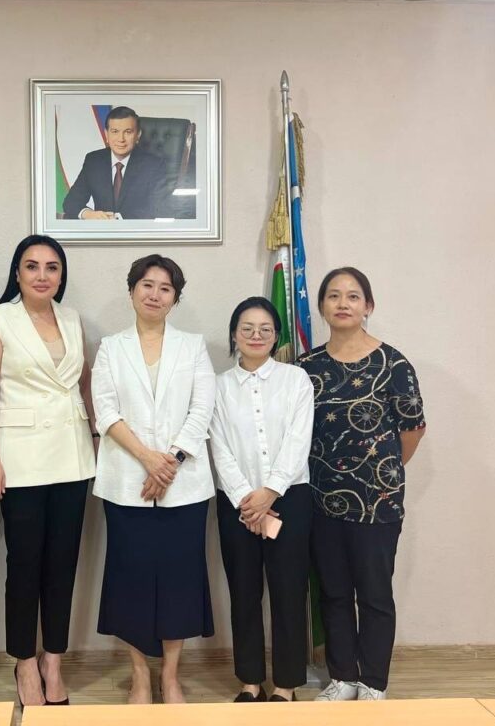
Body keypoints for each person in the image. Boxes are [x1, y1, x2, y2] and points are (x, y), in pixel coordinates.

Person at [0, 235, 96, 709]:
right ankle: (24, 662)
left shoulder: (72, 318)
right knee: (24, 566)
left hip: (72, 455)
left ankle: (53, 661)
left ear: (61, 275)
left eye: (51, 267)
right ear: (17, 273)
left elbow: (83, 384)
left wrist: (97, 438)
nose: (42, 275)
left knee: (63, 564)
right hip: (20, 458)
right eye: (32, 266)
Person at [91, 254, 216, 704]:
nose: (155, 294)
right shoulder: (111, 347)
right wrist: (148, 459)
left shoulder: (193, 346)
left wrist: (170, 463)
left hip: (185, 484)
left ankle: (171, 677)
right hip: (127, 481)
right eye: (147, 285)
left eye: (165, 288)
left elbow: (202, 408)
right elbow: (105, 411)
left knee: (181, 578)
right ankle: (140, 675)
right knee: (131, 578)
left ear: (175, 299)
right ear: (132, 291)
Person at [297, 267, 427, 702]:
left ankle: (373, 683)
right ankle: (343, 677)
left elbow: (412, 430)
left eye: (353, 296)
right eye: (333, 296)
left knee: (374, 595)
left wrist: (380, 472)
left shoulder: (394, 364)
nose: (343, 303)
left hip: (378, 502)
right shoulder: (305, 368)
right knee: (333, 593)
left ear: (368, 306)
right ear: (322, 306)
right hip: (320, 501)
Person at [209, 297, 314, 704]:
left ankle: (286, 684)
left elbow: (298, 439)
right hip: (236, 503)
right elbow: (218, 446)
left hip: (290, 497)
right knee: (244, 591)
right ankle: (250, 681)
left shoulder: (296, 380)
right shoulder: (218, 386)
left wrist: (270, 491)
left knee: (289, 591)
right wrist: (245, 499)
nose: (256, 335)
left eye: (265, 329)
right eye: (247, 328)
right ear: (234, 334)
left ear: (276, 337)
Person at [61, 106, 170, 220]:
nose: (121, 139)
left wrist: (117, 218)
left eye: (128, 132)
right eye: (115, 131)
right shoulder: (94, 160)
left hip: (135, 229)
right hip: (100, 229)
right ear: (106, 134)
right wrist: (88, 214)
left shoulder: (154, 165)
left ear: (138, 135)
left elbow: (159, 208)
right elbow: (71, 201)